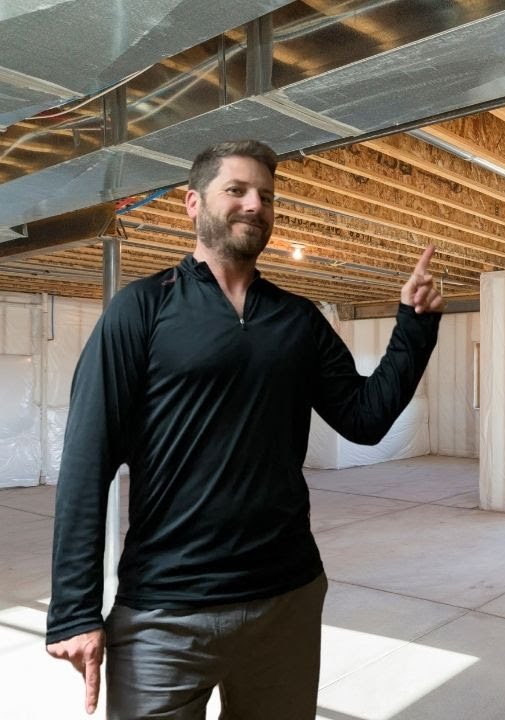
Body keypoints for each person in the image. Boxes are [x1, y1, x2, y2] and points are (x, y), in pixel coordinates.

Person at [44, 139, 444, 718]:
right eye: (236, 190)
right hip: (165, 613)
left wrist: (414, 328)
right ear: (192, 203)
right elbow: (87, 459)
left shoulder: (296, 320)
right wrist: (74, 610)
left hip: (286, 601)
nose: (255, 205)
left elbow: (365, 417)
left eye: (266, 195)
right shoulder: (141, 311)